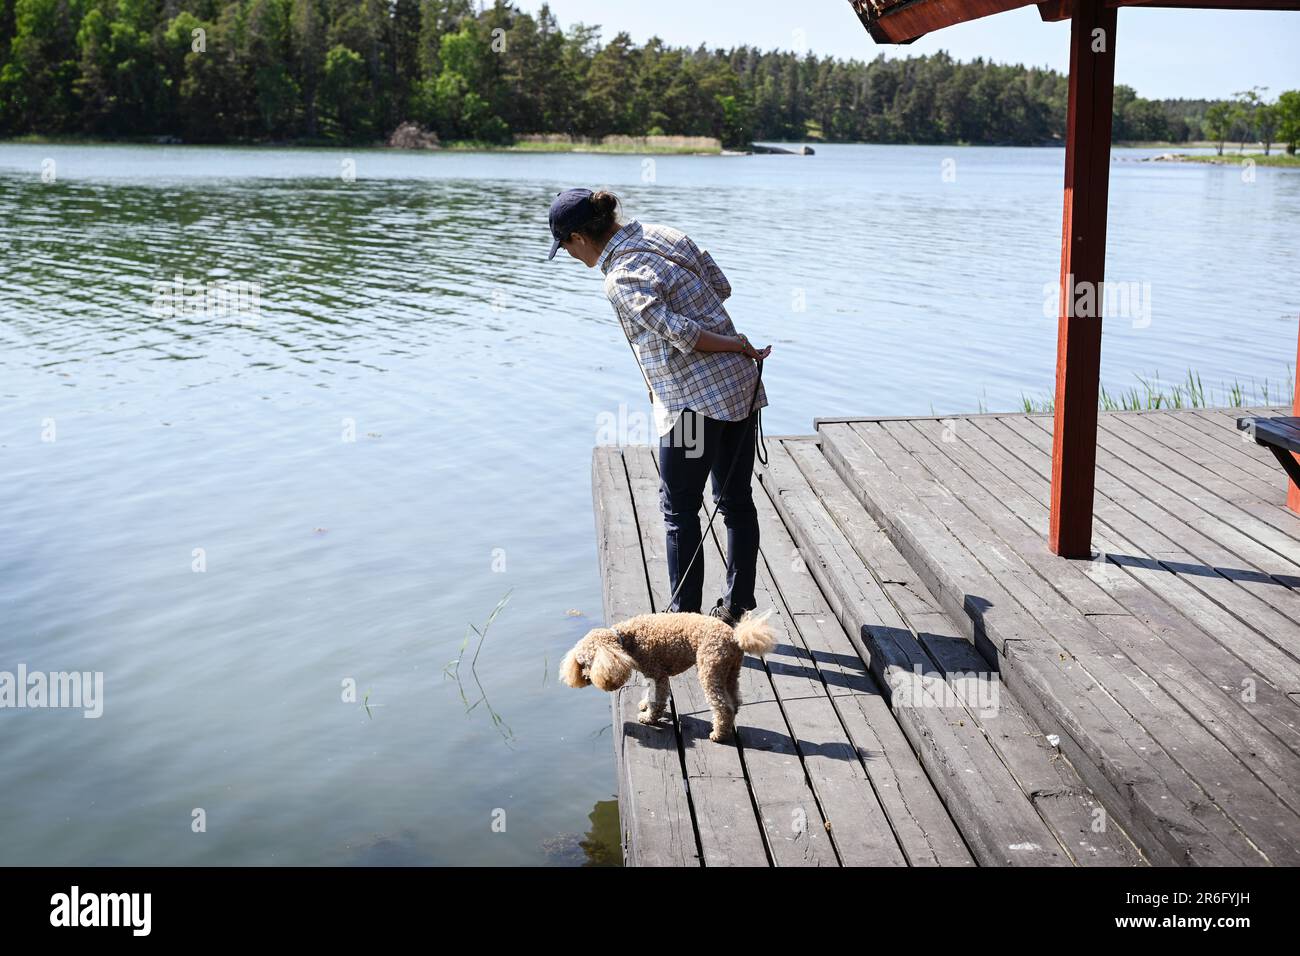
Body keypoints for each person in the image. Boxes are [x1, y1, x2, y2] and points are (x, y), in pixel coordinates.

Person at [547, 187, 772, 625]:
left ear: (578, 237)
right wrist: (733, 347)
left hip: (692, 408)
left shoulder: (620, 280)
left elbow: (683, 335)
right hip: (740, 387)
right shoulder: (664, 233)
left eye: (567, 248)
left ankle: (683, 620)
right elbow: (720, 286)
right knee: (736, 501)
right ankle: (737, 608)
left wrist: (733, 343)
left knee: (680, 509)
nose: (571, 257)